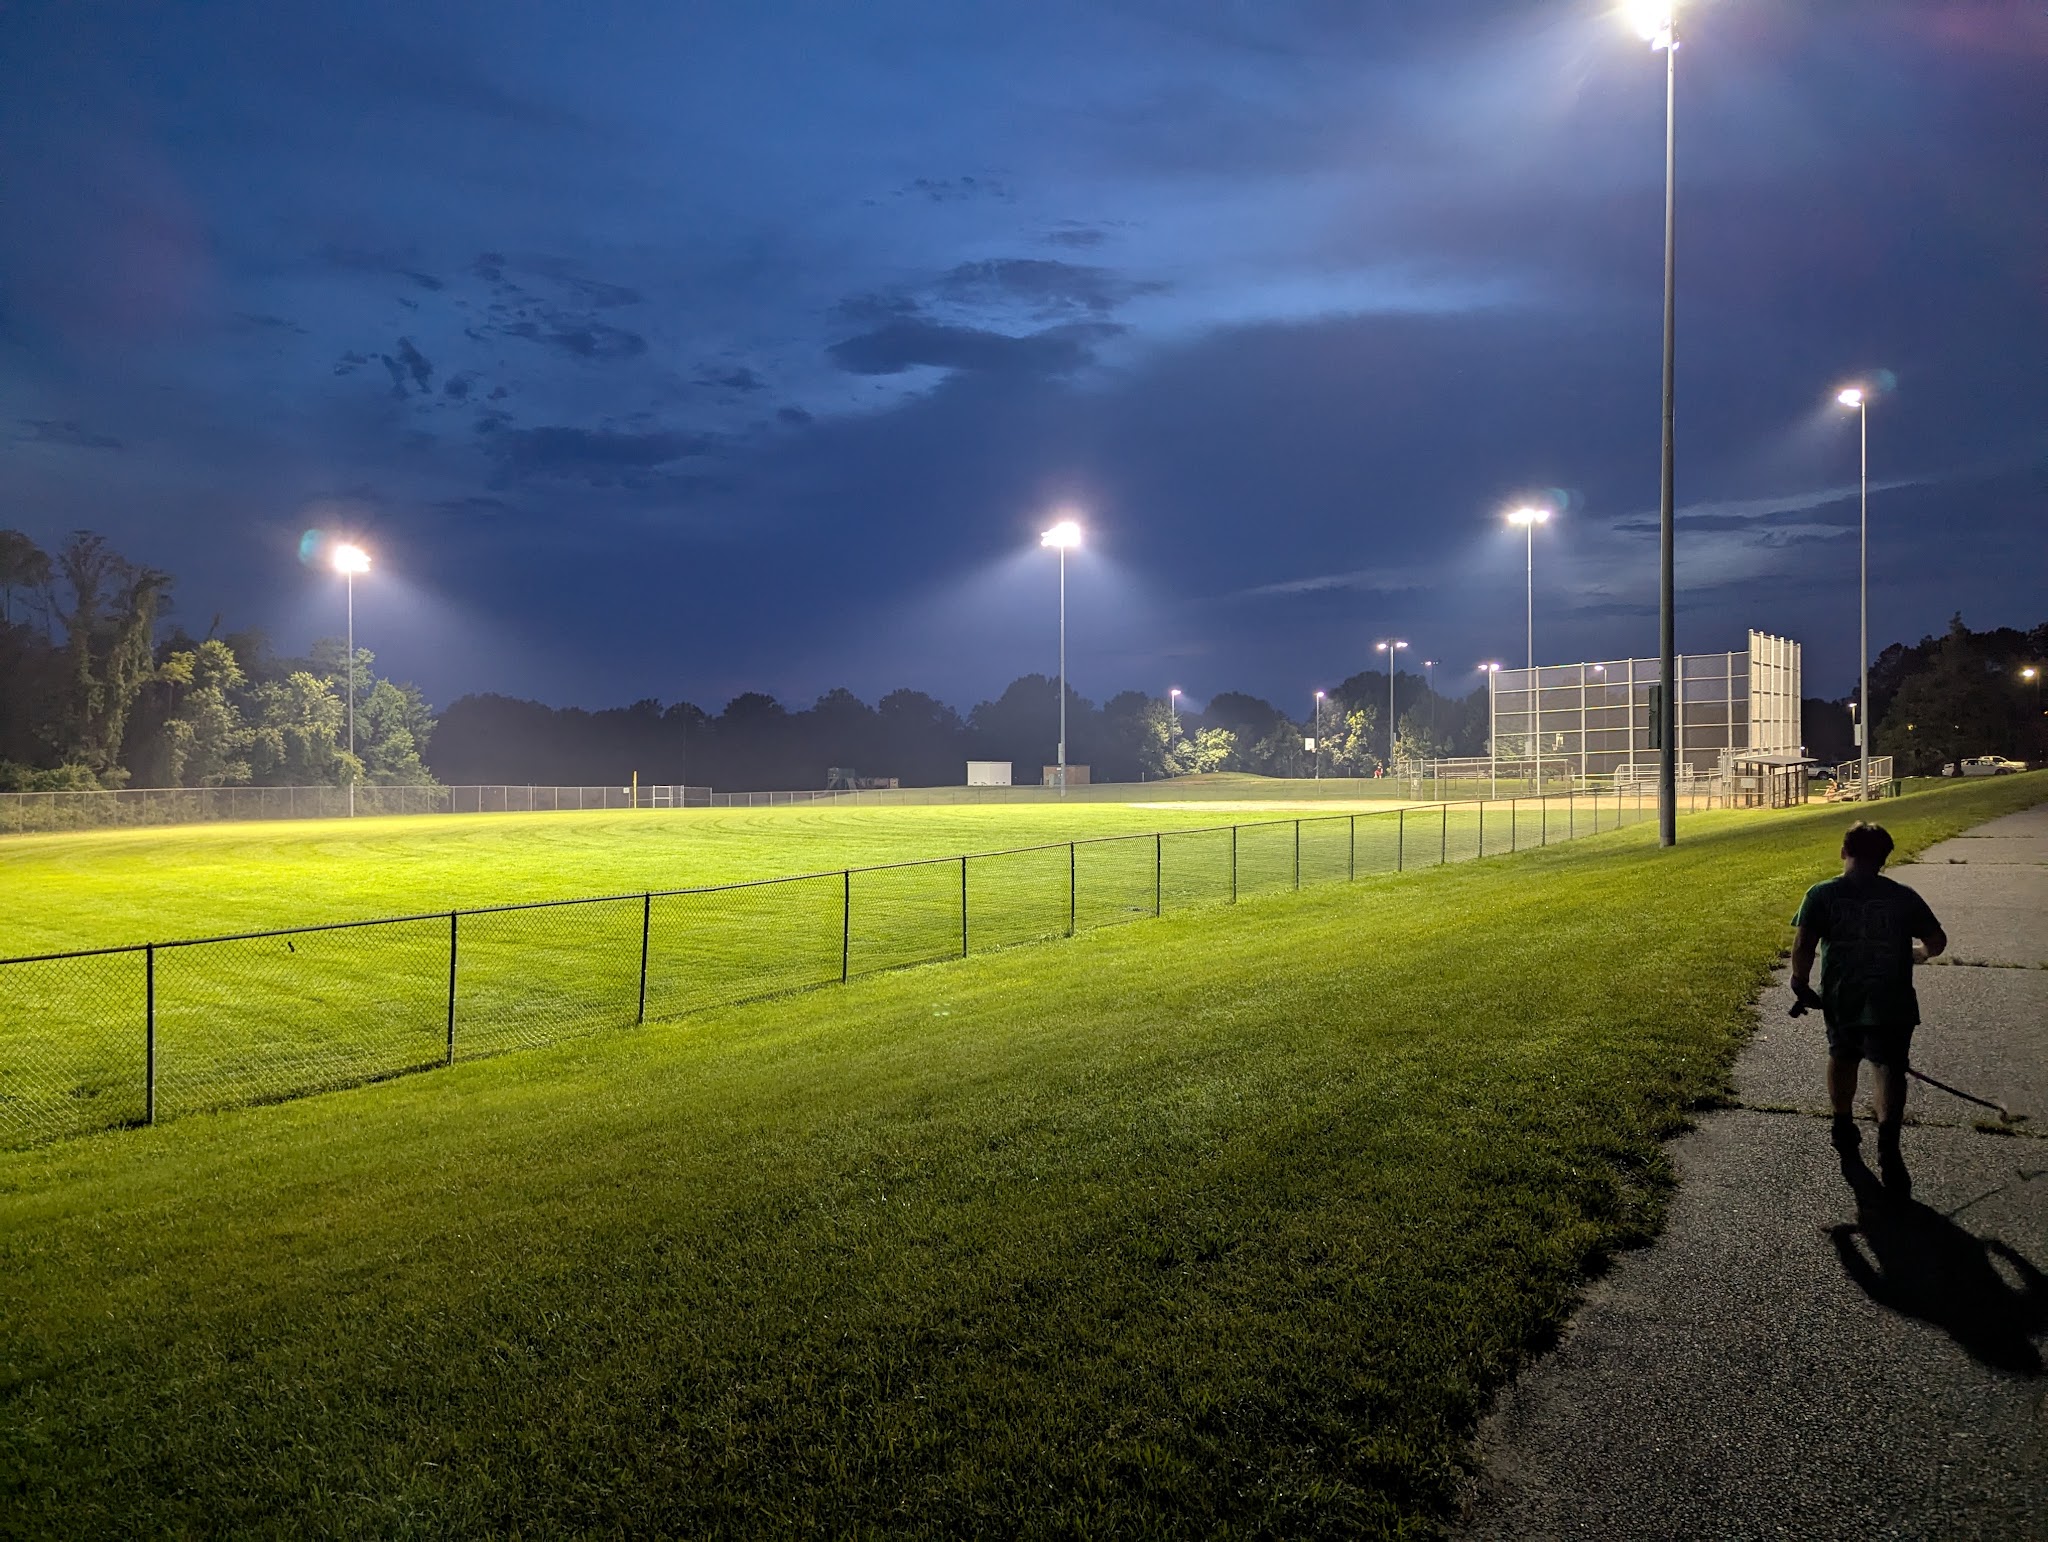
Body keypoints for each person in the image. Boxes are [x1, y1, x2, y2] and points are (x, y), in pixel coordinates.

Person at [1789, 822, 1946, 1199]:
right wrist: (1919, 954)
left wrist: (1800, 980)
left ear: (1844, 852)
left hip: (1843, 996)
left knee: (1842, 1056)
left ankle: (1842, 1121)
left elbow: (1804, 943)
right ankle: (1888, 1144)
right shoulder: (1903, 897)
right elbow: (1936, 941)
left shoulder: (1822, 894)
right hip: (1893, 998)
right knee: (1890, 1069)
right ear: (1884, 859)